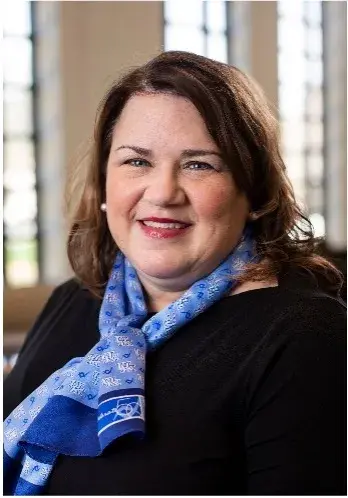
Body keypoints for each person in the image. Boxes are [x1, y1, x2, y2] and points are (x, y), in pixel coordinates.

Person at [3, 51, 346, 496]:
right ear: (105, 181)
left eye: (199, 164)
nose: (163, 193)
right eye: (137, 161)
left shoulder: (306, 338)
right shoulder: (74, 300)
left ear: (253, 191)